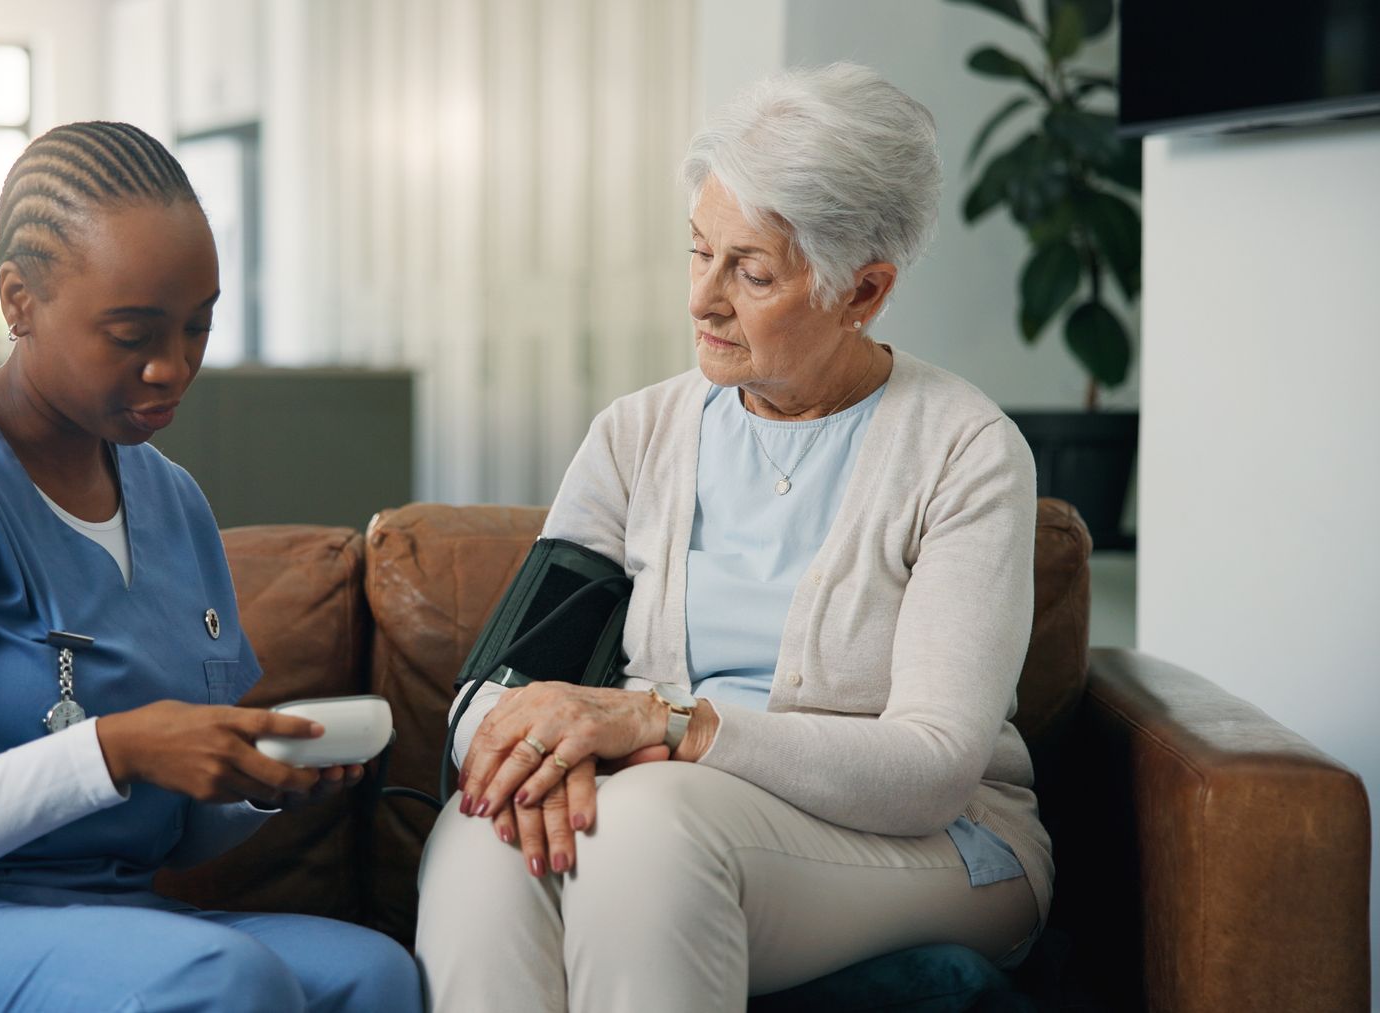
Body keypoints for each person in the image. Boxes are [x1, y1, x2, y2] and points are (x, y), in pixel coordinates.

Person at [0, 121, 421, 1013]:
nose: (172, 367)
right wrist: (116, 745)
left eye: (198, 326)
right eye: (132, 333)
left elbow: (164, 837)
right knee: (222, 978)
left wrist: (260, 783)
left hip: (89, 918)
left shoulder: (174, 504)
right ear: (18, 299)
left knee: (373, 974)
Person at [415, 64, 1052, 1011]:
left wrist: (673, 726)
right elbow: (495, 690)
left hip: (929, 845)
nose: (703, 300)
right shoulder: (637, 436)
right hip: (652, 805)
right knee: (480, 840)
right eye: (697, 251)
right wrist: (530, 761)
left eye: (750, 272)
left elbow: (930, 769)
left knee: (646, 830)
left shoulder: (965, 451)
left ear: (862, 290)